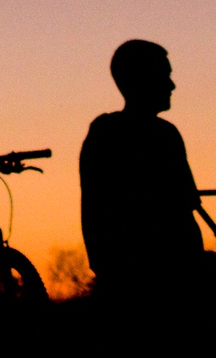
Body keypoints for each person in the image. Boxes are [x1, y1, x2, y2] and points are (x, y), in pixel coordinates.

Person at [80, 39, 204, 297]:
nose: (172, 85)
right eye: (164, 76)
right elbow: (184, 205)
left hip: (147, 272)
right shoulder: (156, 135)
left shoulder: (157, 133)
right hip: (148, 276)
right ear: (139, 80)